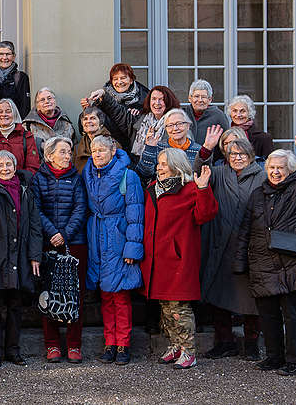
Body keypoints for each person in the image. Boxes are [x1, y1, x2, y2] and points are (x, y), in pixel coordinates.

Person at [234, 135, 296, 377]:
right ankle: (274, 357)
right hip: (262, 262)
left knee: (292, 315)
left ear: (289, 170)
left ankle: (294, 360)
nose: (275, 172)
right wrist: (240, 261)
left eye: (280, 168)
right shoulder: (258, 194)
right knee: (268, 315)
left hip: (291, 262)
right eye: (272, 168)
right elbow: (246, 228)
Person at [140, 148, 218, 370]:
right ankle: (175, 345)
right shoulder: (153, 189)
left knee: (179, 309)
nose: (159, 167)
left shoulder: (190, 189)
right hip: (157, 260)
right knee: (165, 308)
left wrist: (203, 189)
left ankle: (188, 351)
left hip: (178, 259)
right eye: (159, 163)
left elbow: (206, 214)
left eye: (164, 164)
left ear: (176, 165)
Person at [195, 131, 265, 361]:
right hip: (221, 242)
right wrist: (206, 149)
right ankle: (224, 341)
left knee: (251, 299)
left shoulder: (261, 176)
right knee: (219, 294)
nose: (237, 158)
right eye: (232, 153)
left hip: (249, 246)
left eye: (242, 154)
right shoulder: (219, 172)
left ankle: (252, 342)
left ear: (251, 156)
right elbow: (198, 173)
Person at [0, 150, 43, 368]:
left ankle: (13, 350)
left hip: (19, 256)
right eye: (0, 165)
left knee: (15, 307)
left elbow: (34, 226)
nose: (5, 168)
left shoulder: (25, 191)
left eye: (8, 164)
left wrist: (34, 256)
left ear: (14, 166)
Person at [83, 135, 144, 366]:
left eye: (101, 150)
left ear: (113, 151)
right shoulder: (88, 174)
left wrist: (132, 248)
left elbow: (136, 214)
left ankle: (123, 344)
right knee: (105, 294)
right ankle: (109, 343)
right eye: (94, 150)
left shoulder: (129, 176)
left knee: (120, 295)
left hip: (118, 239)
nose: (97, 154)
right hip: (97, 237)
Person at [30, 136, 88, 364]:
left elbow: (80, 208)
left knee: (75, 293)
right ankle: (52, 344)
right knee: (48, 293)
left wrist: (64, 234)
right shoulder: (38, 179)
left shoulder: (76, 178)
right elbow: (36, 209)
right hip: (48, 241)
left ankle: (74, 344)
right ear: (49, 155)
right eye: (62, 152)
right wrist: (52, 233)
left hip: (74, 242)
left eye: (69, 151)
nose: (67, 156)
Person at [90, 84, 181, 161]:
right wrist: (104, 95)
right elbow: (118, 112)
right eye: (153, 99)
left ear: (169, 101)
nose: (157, 103)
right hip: (139, 168)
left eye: (161, 99)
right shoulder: (141, 119)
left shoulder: (177, 124)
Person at [0, 98, 42, 174]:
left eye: (8, 111)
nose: (4, 114)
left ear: (14, 114)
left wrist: (18, 179)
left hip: (19, 183)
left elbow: (33, 167)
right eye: (0, 112)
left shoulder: (26, 136)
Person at [137, 108, 202, 180]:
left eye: (179, 123)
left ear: (188, 126)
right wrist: (149, 149)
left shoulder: (198, 150)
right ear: (166, 129)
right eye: (170, 125)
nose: (175, 128)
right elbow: (144, 174)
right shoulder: (158, 147)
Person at [72, 106, 121, 172]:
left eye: (93, 118)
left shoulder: (112, 144)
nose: (88, 121)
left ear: (101, 123)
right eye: (85, 119)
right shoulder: (78, 149)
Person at [227, 95, 275, 160]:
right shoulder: (226, 135)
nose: (238, 115)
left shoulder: (264, 138)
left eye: (242, 111)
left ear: (250, 113)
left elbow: (269, 163)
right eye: (234, 111)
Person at [187, 79, 231, 144]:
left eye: (204, 97)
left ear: (210, 99)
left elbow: (227, 140)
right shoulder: (184, 115)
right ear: (190, 98)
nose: (200, 100)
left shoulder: (219, 116)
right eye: (196, 96)